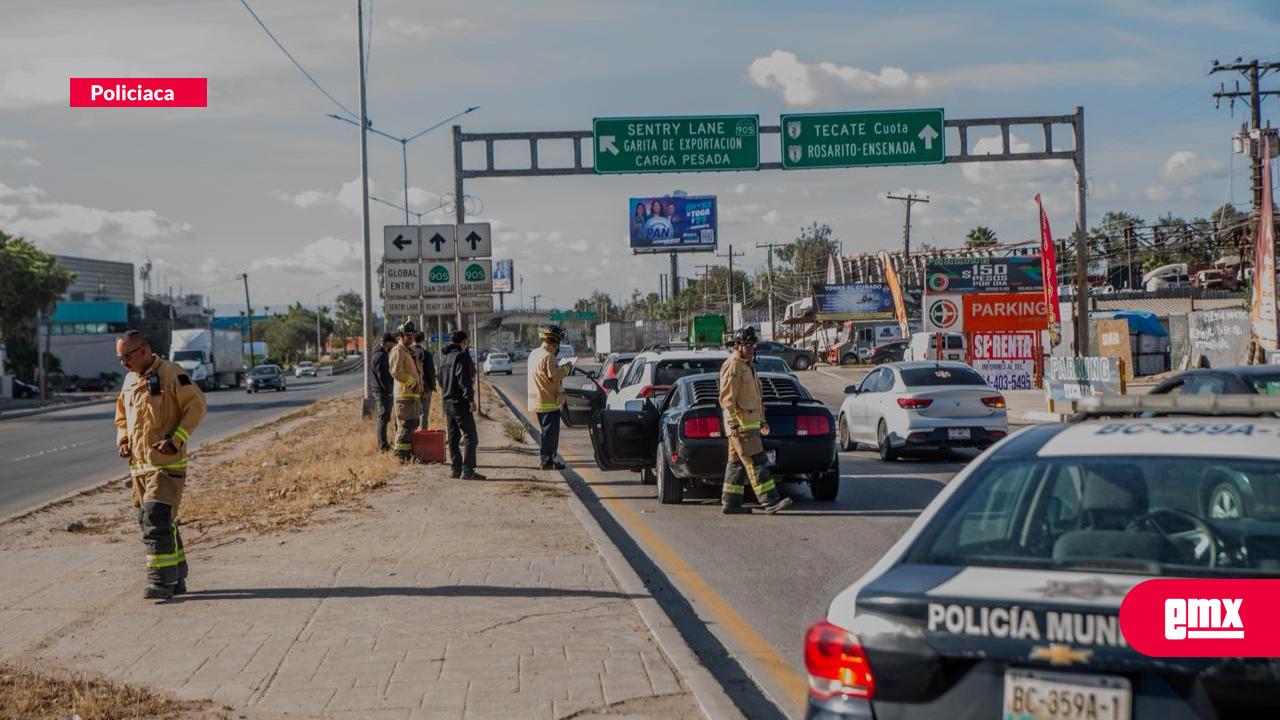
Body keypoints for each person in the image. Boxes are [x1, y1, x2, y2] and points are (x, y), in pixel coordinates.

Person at [112, 329, 207, 600]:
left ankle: (160, 582)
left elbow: (196, 406)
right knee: (157, 521)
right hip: (140, 469)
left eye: (125, 357)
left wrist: (176, 440)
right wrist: (123, 439)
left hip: (167, 466)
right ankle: (177, 577)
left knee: (155, 519)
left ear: (142, 351)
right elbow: (121, 417)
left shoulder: (171, 373)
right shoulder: (129, 382)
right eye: (119, 358)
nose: (123, 363)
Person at [719, 327, 791, 516]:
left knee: (735, 464)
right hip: (741, 427)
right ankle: (771, 502)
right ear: (737, 346)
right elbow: (727, 398)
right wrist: (734, 423)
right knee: (756, 462)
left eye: (753, 345)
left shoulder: (747, 365)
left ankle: (731, 503)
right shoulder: (734, 365)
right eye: (747, 345)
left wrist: (762, 420)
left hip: (749, 424)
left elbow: (754, 398)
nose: (751, 348)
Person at [527, 325, 574, 470]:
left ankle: (550, 459)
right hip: (548, 401)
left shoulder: (535, 353)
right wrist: (567, 368)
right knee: (550, 434)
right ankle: (546, 461)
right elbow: (555, 376)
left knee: (547, 432)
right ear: (555, 341)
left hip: (537, 400)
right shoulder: (549, 356)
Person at [439, 330, 484, 479]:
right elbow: (463, 380)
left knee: (453, 437)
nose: (467, 345)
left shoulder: (443, 357)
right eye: (467, 342)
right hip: (460, 403)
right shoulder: (460, 357)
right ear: (463, 342)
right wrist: (470, 400)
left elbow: (439, 379)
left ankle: (456, 469)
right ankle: (468, 470)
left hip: (447, 402)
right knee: (471, 436)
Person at [389, 321, 424, 461]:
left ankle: (407, 454)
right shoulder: (398, 351)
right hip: (404, 396)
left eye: (412, 335)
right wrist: (412, 383)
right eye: (407, 335)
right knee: (405, 427)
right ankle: (400, 456)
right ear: (401, 336)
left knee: (412, 427)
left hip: (412, 396)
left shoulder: (409, 351)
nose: (410, 337)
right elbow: (396, 372)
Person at [371, 333, 396, 452]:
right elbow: (383, 377)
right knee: (383, 418)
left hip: (379, 390)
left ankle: (383, 443)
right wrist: (389, 390)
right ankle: (383, 446)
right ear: (388, 343)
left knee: (383, 417)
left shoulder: (377, 353)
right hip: (382, 392)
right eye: (392, 343)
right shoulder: (381, 356)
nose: (393, 346)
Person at [412, 331, 436, 429]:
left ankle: (412, 436)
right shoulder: (427, 354)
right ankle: (423, 436)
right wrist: (433, 386)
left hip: (411, 389)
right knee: (424, 414)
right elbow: (431, 372)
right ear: (423, 340)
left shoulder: (407, 353)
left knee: (412, 414)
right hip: (425, 388)